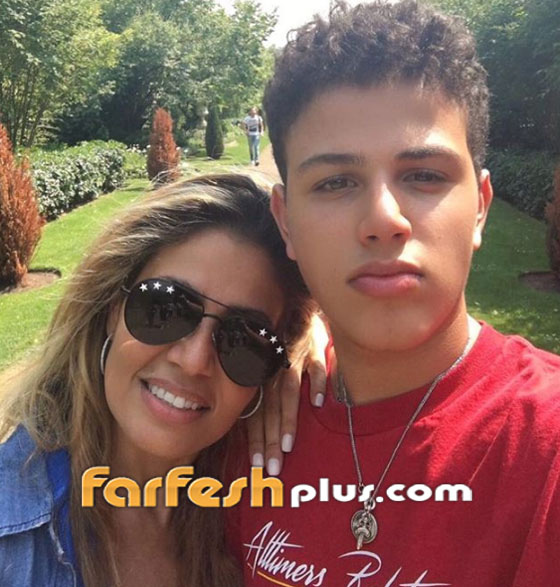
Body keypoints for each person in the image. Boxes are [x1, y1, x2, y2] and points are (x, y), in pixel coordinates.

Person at [229, 2, 560, 585]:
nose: (384, 220)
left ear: (480, 208)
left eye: (424, 175)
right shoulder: (246, 419)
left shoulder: (544, 448)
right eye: (335, 182)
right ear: (286, 222)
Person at [0, 174, 318, 586]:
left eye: (245, 340)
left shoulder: (257, 504)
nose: (194, 361)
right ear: (112, 308)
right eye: (164, 308)